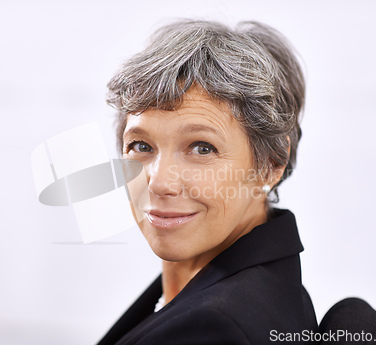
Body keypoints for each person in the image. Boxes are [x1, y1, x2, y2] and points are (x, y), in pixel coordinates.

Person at [97, 19, 317, 344]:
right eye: (141, 146)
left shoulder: (214, 329)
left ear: (271, 163)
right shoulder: (223, 290)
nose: (159, 183)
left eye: (202, 148)